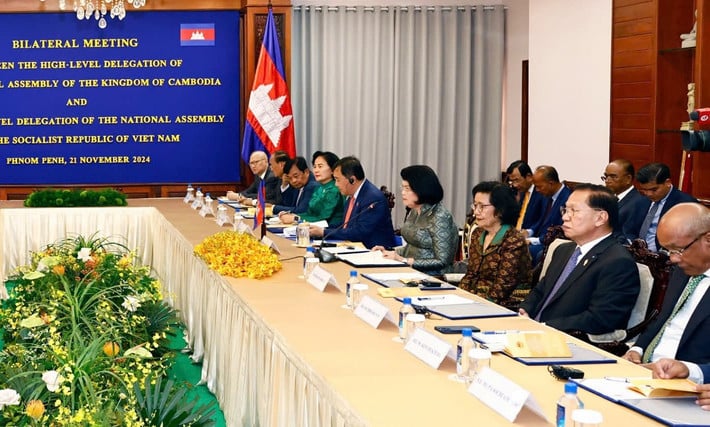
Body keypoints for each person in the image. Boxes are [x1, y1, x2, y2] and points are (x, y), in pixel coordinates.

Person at [519, 183, 640, 335]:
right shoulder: (563, 250)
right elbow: (540, 290)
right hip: (530, 331)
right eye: (565, 210)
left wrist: (544, 326)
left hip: (565, 341)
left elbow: (601, 319)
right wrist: (524, 311)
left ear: (600, 218)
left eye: (574, 211)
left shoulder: (617, 262)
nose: (564, 217)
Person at [623, 203, 710, 384]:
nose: (672, 259)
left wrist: (692, 370)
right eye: (667, 250)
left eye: (677, 250)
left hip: (687, 386)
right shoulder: (682, 269)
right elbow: (663, 318)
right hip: (644, 374)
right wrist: (638, 349)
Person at [372, 165, 458, 275]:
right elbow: (411, 247)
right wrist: (388, 252)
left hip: (434, 278)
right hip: (410, 272)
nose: (403, 192)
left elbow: (442, 261)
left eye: (407, 188)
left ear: (421, 189)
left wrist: (404, 261)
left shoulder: (440, 216)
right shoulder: (414, 210)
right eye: (402, 187)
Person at [458, 181, 532, 305]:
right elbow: (471, 274)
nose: (476, 212)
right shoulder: (478, 233)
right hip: (475, 298)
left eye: (482, 206)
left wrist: (476, 305)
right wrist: (458, 296)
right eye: (475, 205)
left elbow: (503, 286)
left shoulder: (513, 240)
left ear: (500, 210)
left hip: (506, 303)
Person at [309, 156, 396, 249]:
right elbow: (345, 225)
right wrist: (320, 229)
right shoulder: (352, 194)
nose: (336, 184)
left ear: (352, 180)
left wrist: (323, 232)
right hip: (353, 247)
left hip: (374, 251)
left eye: (338, 180)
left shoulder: (372, 198)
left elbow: (359, 232)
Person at [636, 162, 696, 251]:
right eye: (644, 190)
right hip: (637, 253)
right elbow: (629, 229)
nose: (648, 194)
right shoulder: (641, 199)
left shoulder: (686, 204)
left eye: (654, 189)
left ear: (667, 182)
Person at [279, 151, 344, 225]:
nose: (316, 170)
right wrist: (294, 216)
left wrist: (296, 218)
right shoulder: (319, 188)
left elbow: (322, 218)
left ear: (333, 169)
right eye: (314, 166)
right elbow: (310, 214)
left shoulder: (335, 189)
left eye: (320, 166)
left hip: (329, 231)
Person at [526, 165, 571, 262]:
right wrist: (529, 232)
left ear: (551, 183)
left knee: (523, 250)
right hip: (540, 238)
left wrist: (534, 240)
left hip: (551, 242)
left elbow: (560, 230)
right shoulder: (547, 196)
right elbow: (542, 220)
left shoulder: (568, 199)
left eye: (539, 186)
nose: (537, 190)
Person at [601, 159, 650, 242]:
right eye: (606, 176)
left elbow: (628, 235)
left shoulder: (639, 202)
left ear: (628, 179)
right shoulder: (608, 198)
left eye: (613, 177)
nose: (607, 181)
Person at [506, 160, 547, 233]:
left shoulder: (542, 192)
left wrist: (529, 231)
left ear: (529, 177)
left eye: (517, 180)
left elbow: (543, 219)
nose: (515, 185)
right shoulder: (521, 192)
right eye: (512, 181)